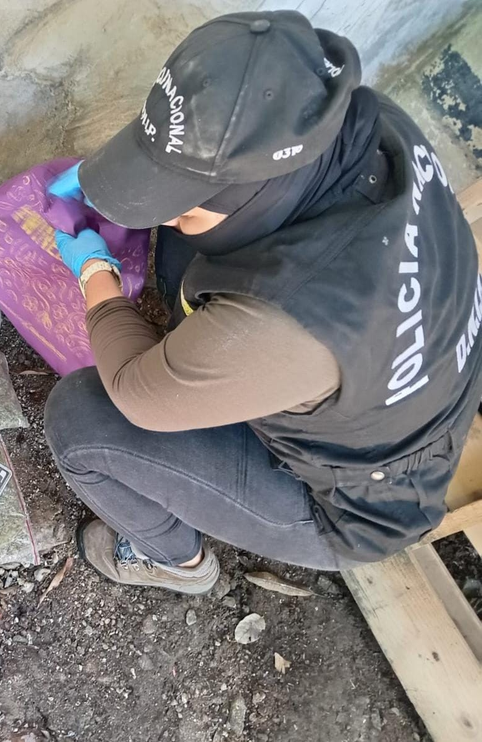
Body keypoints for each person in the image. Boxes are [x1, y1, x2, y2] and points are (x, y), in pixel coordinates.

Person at [42, 10, 482, 595]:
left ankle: (176, 561)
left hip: (348, 500)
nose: (165, 211)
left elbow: (135, 393)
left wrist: (95, 273)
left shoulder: (288, 321)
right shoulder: (360, 126)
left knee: (81, 420)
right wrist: (132, 181)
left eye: (180, 199)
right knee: (188, 238)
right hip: (399, 391)